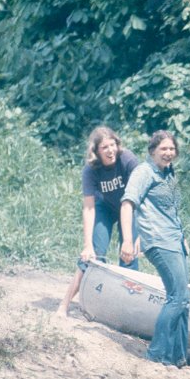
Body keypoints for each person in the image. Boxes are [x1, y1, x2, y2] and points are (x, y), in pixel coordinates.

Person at [119, 131, 190, 367]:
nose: (169, 153)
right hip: (159, 241)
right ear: (152, 151)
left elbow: (170, 211)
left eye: (172, 149)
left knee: (184, 300)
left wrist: (182, 236)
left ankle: (177, 357)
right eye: (163, 149)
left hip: (175, 240)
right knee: (176, 298)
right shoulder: (144, 172)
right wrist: (128, 241)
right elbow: (128, 204)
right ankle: (156, 354)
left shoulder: (168, 173)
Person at [56, 126, 140, 318]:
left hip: (129, 207)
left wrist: (136, 236)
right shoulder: (91, 170)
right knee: (92, 256)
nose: (110, 151)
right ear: (96, 151)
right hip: (105, 208)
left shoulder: (127, 160)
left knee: (128, 255)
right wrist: (87, 246)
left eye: (113, 145)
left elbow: (142, 195)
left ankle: (125, 312)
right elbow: (89, 208)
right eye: (105, 147)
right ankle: (64, 304)